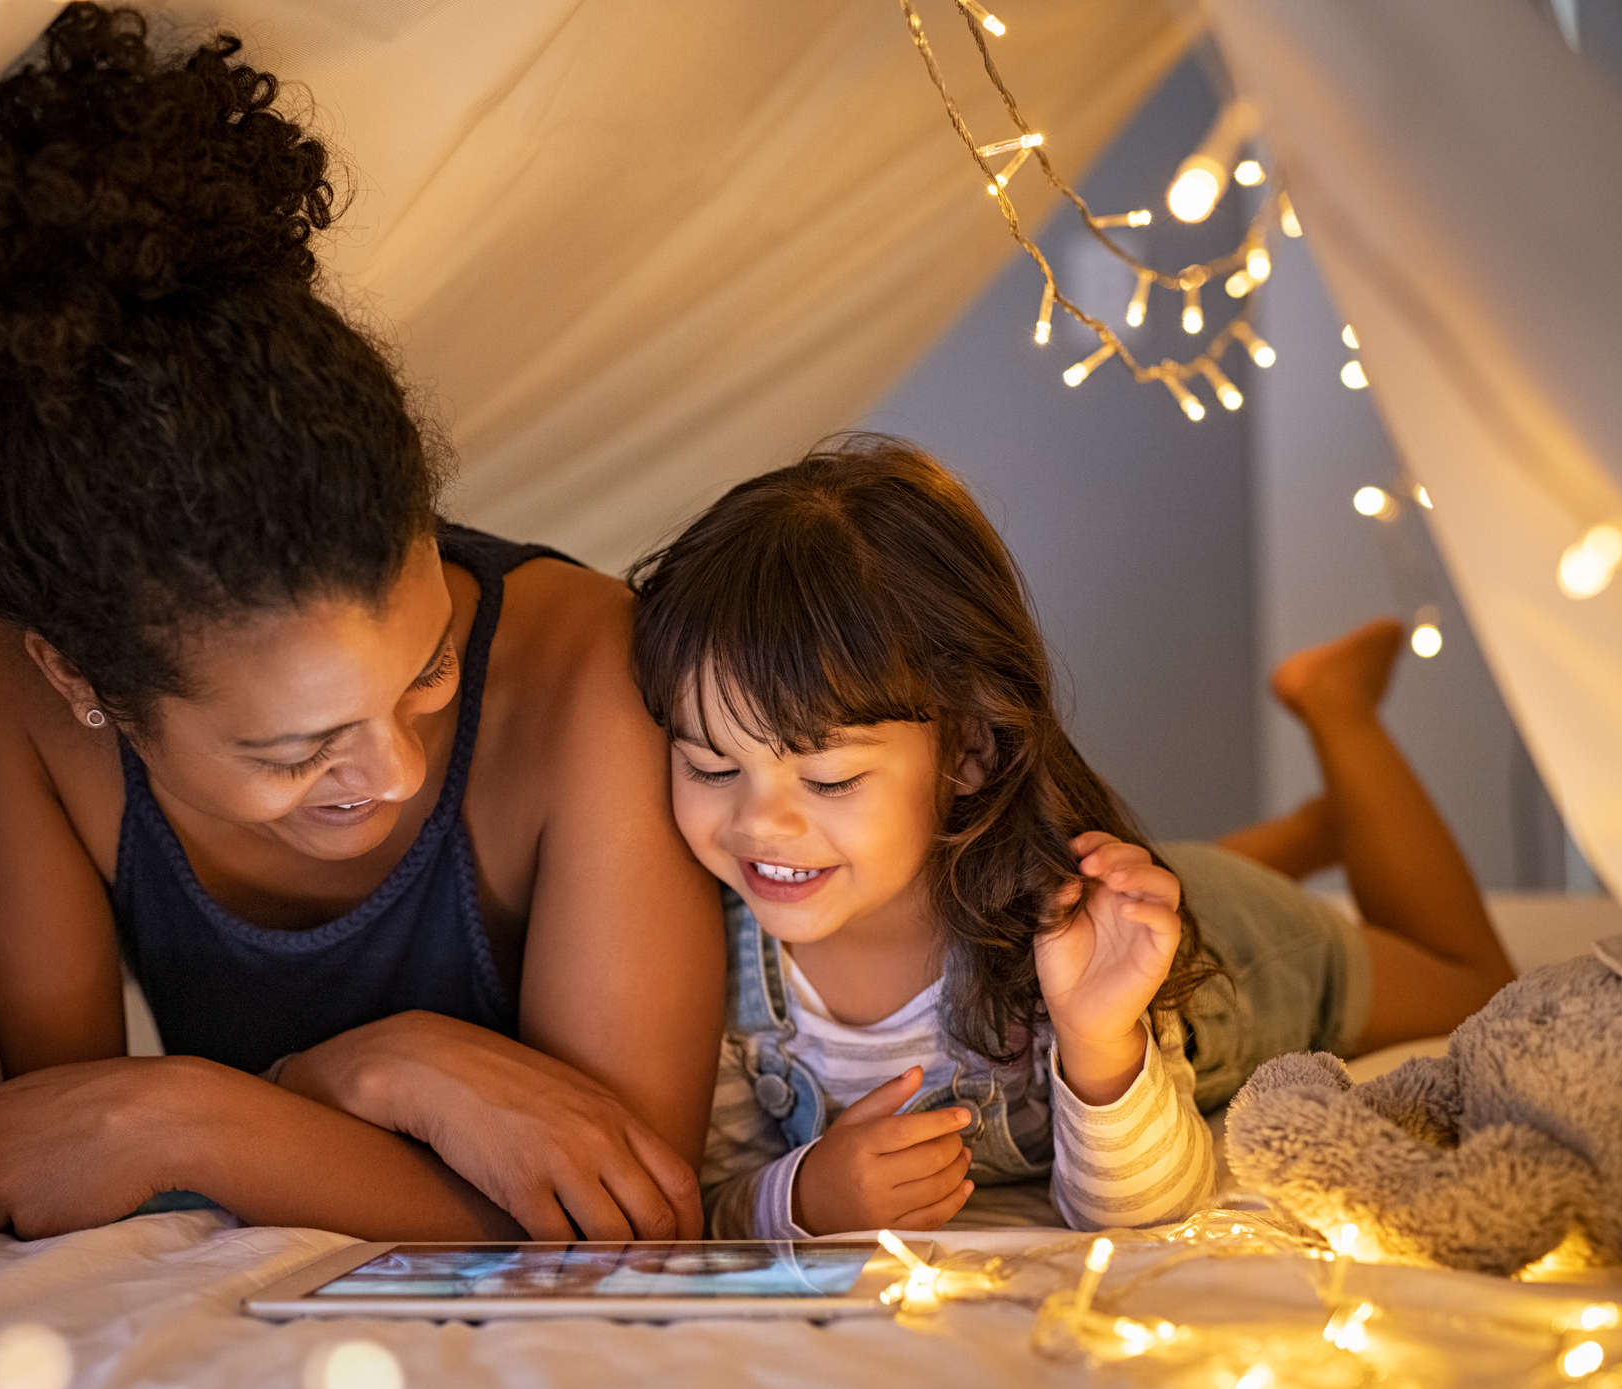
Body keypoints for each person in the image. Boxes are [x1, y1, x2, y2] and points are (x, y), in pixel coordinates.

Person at [0, 4, 724, 1242]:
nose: (390, 767)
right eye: (293, 751)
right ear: (87, 685)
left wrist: (265, 1094)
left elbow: (631, 1224)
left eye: (431, 667)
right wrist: (242, 1106)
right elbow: (53, 1152)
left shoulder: (591, 664)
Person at [627, 434, 1516, 1238]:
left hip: (1227, 952)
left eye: (828, 780)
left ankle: (1337, 708)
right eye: (709, 767)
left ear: (969, 748)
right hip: (1096, 882)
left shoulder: (1063, 941)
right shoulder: (708, 952)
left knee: (1474, 984)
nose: (757, 822)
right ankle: (1313, 832)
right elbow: (712, 1187)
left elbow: (1147, 1205)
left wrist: (1098, 1041)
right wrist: (800, 1198)